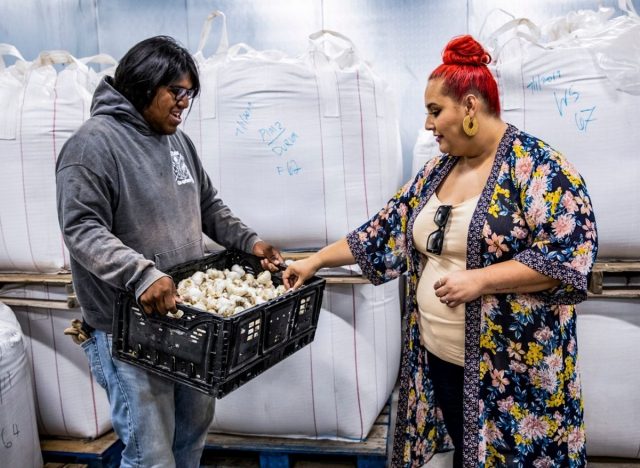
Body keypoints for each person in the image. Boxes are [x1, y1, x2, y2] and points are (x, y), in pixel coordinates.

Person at [284, 35, 597, 468]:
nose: (429, 125)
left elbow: (569, 256)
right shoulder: (437, 171)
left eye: (435, 111)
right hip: (442, 359)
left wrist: (479, 280)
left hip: (512, 376)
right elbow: (384, 227)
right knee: (467, 454)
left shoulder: (538, 168)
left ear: (469, 107)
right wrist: (315, 260)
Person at [56, 36, 283, 468]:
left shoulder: (178, 142)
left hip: (184, 320)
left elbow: (208, 205)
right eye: (175, 93)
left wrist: (249, 242)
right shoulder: (93, 145)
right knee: (151, 455)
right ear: (143, 86)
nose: (183, 104)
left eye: (190, 95)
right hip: (127, 328)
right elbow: (82, 228)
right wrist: (142, 275)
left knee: (192, 434)